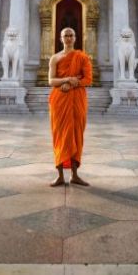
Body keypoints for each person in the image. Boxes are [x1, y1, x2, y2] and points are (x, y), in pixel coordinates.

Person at [48, 27, 92, 187]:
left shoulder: (82, 57)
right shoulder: (55, 58)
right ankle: (59, 175)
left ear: (75, 38)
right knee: (59, 135)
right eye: (65, 35)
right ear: (61, 38)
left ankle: (75, 175)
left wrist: (73, 85)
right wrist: (67, 80)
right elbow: (51, 81)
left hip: (77, 99)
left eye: (71, 35)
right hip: (59, 100)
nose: (68, 38)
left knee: (76, 135)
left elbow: (88, 79)